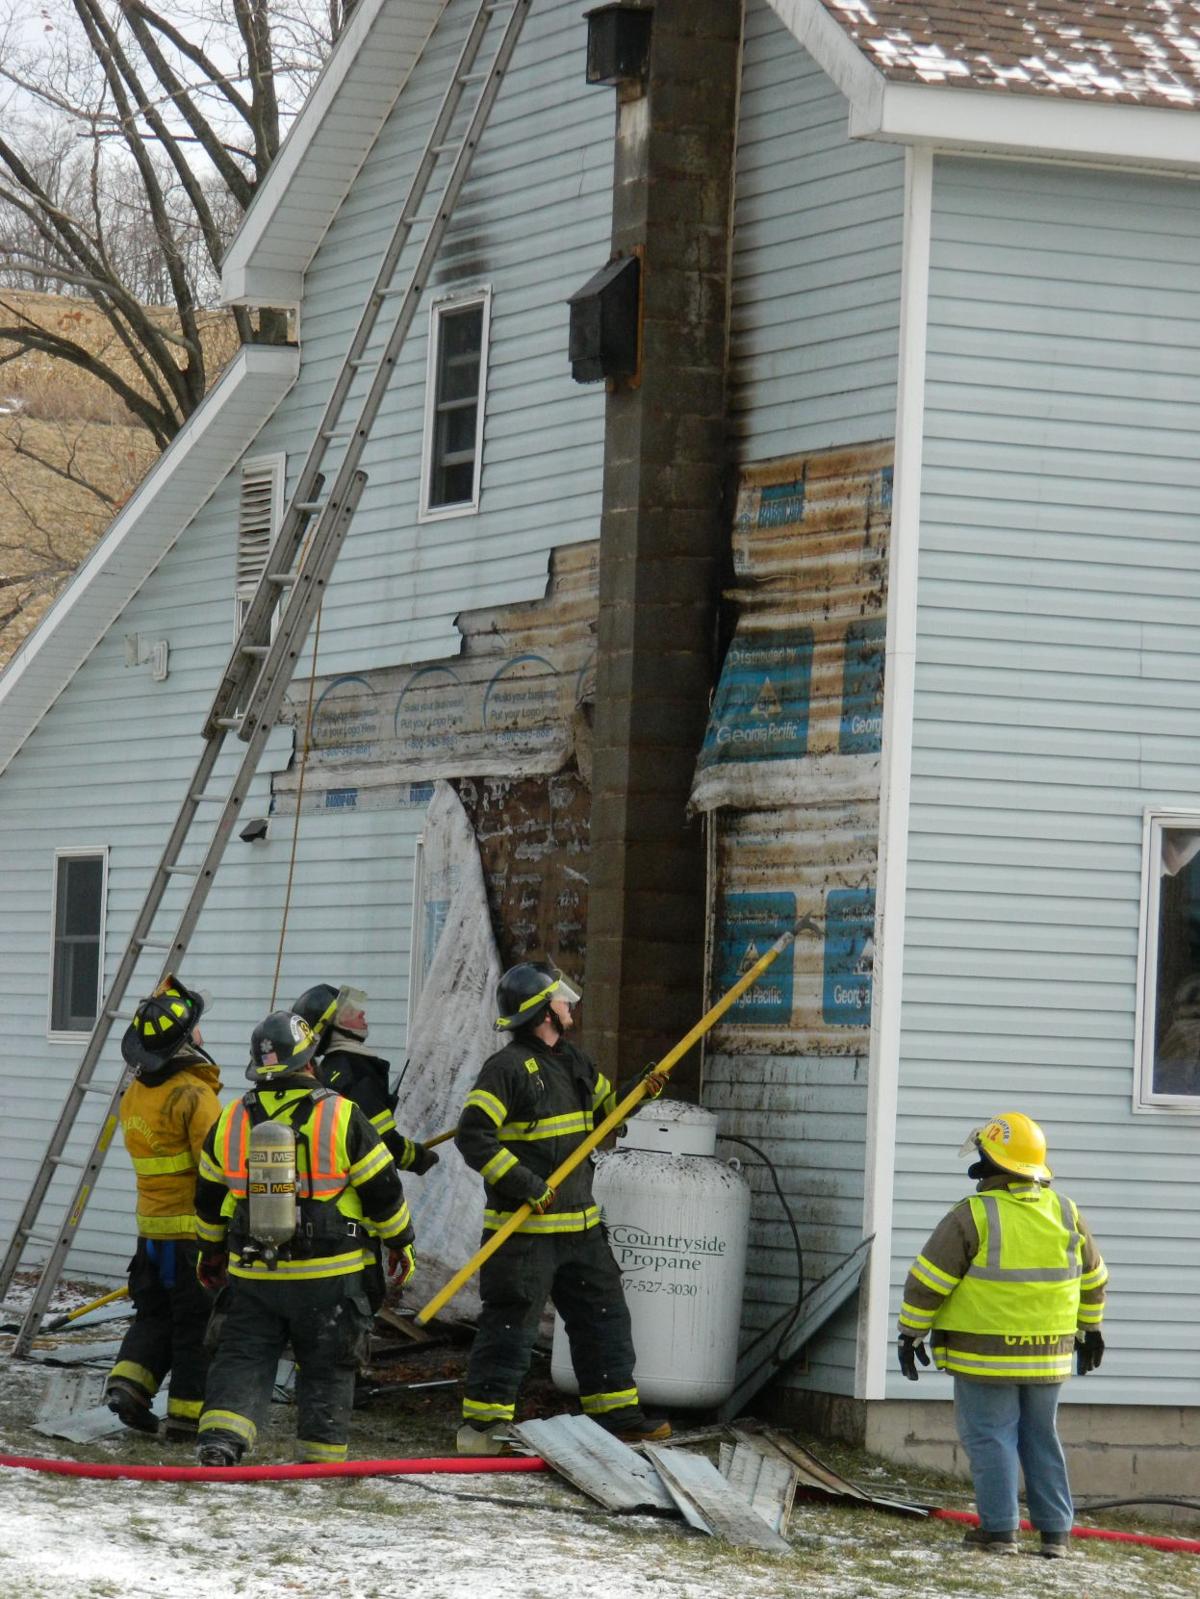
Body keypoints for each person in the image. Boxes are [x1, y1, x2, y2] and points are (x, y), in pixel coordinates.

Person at [454, 959, 670, 1455]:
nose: (569, 1003)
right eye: (560, 997)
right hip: (524, 1230)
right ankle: (482, 1430)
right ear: (541, 1011)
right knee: (510, 1326)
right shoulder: (505, 1070)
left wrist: (637, 1093)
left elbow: (605, 1117)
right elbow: (474, 1138)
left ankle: (617, 1416)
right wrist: (527, 1183)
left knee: (604, 1318)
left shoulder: (574, 1061)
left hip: (580, 1226)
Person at [192, 1009, 415, 1466]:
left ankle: (220, 1441)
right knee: (328, 1362)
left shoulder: (233, 1118)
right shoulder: (342, 1114)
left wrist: (210, 1253)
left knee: (243, 1356)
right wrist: (401, 1243)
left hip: (253, 1273)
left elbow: (208, 1199)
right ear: (310, 1060)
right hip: (330, 1277)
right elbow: (383, 1191)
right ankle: (320, 1455)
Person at [897, 1112, 1108, 1559]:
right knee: (1041, 1437)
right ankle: (1055, 1535)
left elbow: (927, 1282)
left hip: (983, 1355)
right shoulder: (1067, 1212)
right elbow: (1094, 1279)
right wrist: (1090, 1330)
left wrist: (910, 1334)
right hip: (1049, 1356)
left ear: (990, 1163)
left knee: (991, 1438)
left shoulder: (972, 1215)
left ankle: (999, 1532)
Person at [104, 976, 223, 1442]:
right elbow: (215, 1168)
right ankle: (186, 1420)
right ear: (182, 1044)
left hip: (150, 1234)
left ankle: (128, 1385)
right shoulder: (194, 1096)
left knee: (154, 1313)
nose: (202, 1035)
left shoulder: (137, 1092)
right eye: (196, 1029)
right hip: (191, 1236)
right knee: (197, 1325)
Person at [293, 982, 439, 1311]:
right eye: (349, 1011)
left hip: (314, 1216)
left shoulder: (323, 1072)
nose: (361, 1012)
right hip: (353, 1223)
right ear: (332, 1027)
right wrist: (419, 1157)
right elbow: (382, 1146)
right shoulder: (359, 1073)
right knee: (354, 1308)